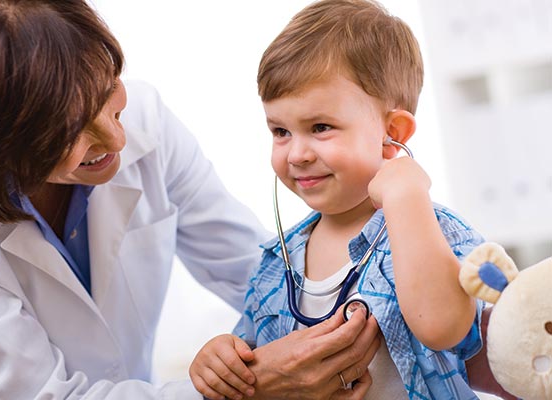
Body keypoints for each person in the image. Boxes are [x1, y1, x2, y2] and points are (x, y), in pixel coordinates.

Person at [0, 0, 383, 399]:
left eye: (108, 92)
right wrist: (248, 386)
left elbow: (260, 276)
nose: (116, 137)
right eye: (68, 131)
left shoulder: (146, 122)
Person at [189, 1, 495, 399]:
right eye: (280, 131)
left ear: (392, 132)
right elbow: (252, 363)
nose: (296, 153)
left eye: (320, 127)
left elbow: (443, 327)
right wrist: (217, 359)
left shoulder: (433, 229)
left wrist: (405, 197)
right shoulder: (275, 262)